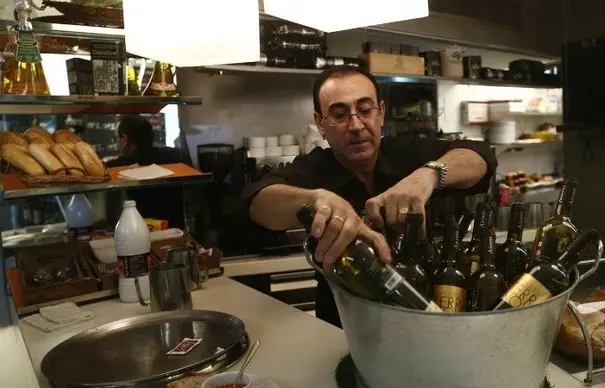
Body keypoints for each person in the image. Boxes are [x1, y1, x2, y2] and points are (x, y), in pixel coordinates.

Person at [243, 65, 497, 328]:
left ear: (381, 113)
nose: (355, 125)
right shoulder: (314, 169)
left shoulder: (407, 152)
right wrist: (317, 200)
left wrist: (428, 176)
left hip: (421, 319)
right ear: (321, 124)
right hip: (343, 327)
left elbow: (480, 156)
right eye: (340, 114)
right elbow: (256, 203)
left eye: (365, 110)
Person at [106, 115, 186, 229]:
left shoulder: (119, 165)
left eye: (117, 138)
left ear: (124, 139)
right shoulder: (174, 155)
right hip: (177, 228)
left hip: (143, 229)